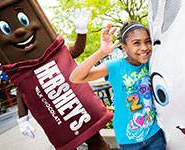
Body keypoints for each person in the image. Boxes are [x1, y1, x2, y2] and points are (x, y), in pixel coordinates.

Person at [70, 21, 166, 150]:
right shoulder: (115, 66)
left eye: (147, 41)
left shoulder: (151, 63)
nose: (144, 47)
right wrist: (101, 52)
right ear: (125, 47)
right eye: (136, 43)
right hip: (128, 140)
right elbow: (75, 78)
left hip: (154, 135)